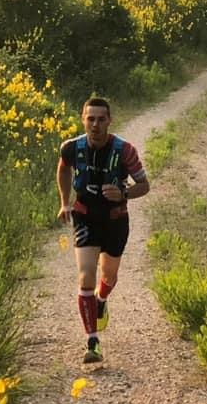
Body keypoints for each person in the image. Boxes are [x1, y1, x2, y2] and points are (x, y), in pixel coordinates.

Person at [57, 97, 150, 363]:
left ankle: (101, 299)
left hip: (115, 219)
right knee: (85, 276)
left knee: (109, 276)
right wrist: (65, 203)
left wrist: (123, 192)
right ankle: (92, 342)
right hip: (85, 217)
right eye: (90, 118)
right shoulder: (71, 148)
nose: (95, 124)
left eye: (101, 119)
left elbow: (144, 185)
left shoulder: (125, 150)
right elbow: (63, 169)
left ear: (109, 121)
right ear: (82, 119)